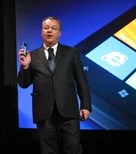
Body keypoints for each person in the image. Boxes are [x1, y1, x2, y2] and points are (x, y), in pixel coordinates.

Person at [17, 16, 92, 154]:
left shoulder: (71, 53)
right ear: (42, 32)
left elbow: (81, 80)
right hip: (44, 112)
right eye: (46, 28)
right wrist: (25, 66)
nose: (49, 31)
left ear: (59, 33)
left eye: (53, 28)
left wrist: (86, 105)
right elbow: (23, 84)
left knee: (73, 150)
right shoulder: (32, 56)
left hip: (68, 110)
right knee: (47, 151)